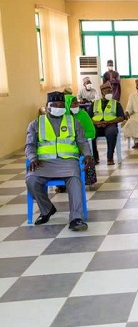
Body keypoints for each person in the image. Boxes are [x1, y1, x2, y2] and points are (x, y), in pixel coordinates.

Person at [25, 91, 93, 231]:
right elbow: (29, 146)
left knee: (75, 180)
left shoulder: (73, 122)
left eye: (61, 105)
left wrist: (87, 155)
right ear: (47, 106)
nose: (58, 107)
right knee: (31, 180)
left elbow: (83, 141)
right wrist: (33, 158)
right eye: (54, 105)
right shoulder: (35, 124)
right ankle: (47, 209)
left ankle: (76, 218)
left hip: (68, 162)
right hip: (43, 163)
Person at [65, 95, 97, 186]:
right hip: (66, 146)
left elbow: (91, 132)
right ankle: (63, 184)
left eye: (77, 103)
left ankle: (89, 180)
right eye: (73, 104)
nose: (76, 106)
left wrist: (78, 138)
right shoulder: (63, 117)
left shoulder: (83, 114)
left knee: (86, 154)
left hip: (80, 143)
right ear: (67, 105)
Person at [91, 83, 125, 165]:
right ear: (102, 92)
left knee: (112, 132)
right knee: (90, 133)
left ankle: (110, 158)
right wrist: (97, 122)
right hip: (97, 125)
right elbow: (88, 118)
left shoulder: (116, 103)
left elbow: (121, 117)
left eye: (110, 91)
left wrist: (110, 122)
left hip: (110, 125)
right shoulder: (94, 103)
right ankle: (95, 157)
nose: (109, 93)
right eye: (107, 91)